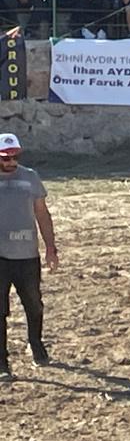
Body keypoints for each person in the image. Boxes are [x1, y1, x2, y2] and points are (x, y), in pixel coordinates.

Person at [0, 132, 57, 380]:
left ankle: (36, 345)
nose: (11, 161)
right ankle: (2, 362)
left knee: (34, 305)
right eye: (5, 157)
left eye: (15, 156)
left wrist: (51, 248)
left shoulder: (30, 178)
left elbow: (42, 215)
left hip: (27, 256)